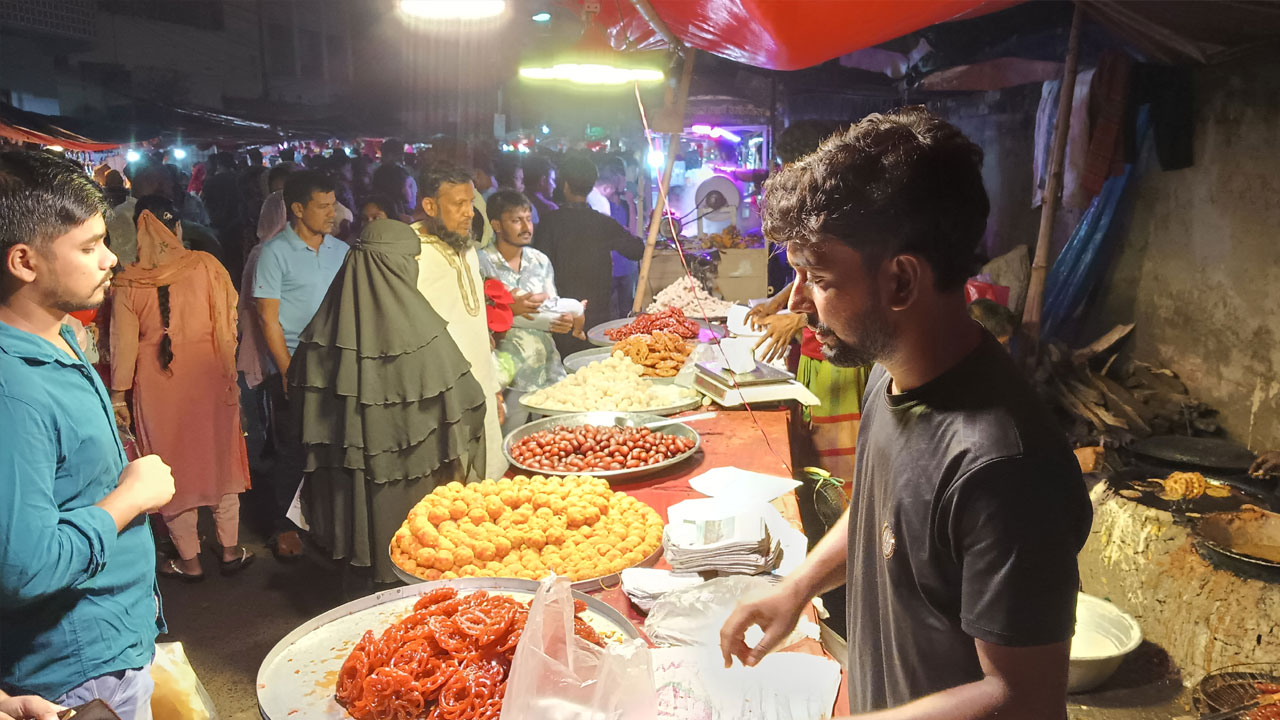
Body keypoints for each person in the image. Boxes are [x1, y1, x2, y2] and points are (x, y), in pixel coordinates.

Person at [719, 108, 1092, 718]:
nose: (800, 302)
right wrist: (798, 587)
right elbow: (882, 510)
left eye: (818, 277)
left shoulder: (1004, 467)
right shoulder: (892, 371)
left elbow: (1021, 697)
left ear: (900, 281)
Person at [0, 150, 175, 718]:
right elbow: (27, 567)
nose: (110, 258)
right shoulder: (13, 391)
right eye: (89, 246)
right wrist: (130, 498)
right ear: (24, 261)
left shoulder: (61, 335)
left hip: (114, 636)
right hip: (78, 673)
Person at [290, 219, 488, 583]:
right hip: (418, 495)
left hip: (348, 497)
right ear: (395, 265)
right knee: (419, 558)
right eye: (409, 260)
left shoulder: (317, 339)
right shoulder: (425, 335)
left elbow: (303, 420)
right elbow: (468, 403)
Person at [109, 196, 253, 582]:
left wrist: (118, 396)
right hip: (211, 379)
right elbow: (230, 321)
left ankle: (190, 561)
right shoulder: (207, 265)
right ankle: (230, 549)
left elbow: (123, 346)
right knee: (220, 462)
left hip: (158, 390)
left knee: (172, 468)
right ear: (175, 229)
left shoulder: (127, 282)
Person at [252, 170, 349, 560]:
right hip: (296, 363)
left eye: (333, 204)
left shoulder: (341, 251)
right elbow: (267, 318)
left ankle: (329, 520)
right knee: (294, 447)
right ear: (297, 208)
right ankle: (284, 526)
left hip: (337, 364)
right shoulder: (273, 253)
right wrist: (287, 369)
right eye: (322, 206)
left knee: (335, 445)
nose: (332, 213)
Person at [412, 163, 507, 477]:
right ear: (430, 206)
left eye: (471, 202)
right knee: (449, 487)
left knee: (487, 481)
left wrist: (494, 388)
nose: (469, 213)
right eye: (459, 204)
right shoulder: (409, 255)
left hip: (480, 385)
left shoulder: (466, 247)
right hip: (438, 397)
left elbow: (476, 327)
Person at [478, 191, 585, 433]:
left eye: (528, 219)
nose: (527, 227)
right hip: (508, 377)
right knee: (509, 441)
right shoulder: (480, 262)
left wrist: (565, 320)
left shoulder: (540, 260)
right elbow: (472, 317)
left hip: (548, 371)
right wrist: (508, 310)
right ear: (496, 225)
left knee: (557, 440)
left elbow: (551, 306)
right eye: (517, 220)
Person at [532, 152, 644, 355]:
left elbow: (537, 269)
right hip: (597, 319)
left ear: (565, 186)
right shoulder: (603, 223)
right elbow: (637, 250)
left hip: (560, 318)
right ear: (592, 185)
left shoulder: (549, 223)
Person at [372, 138, 417, 221]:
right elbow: (407, 198)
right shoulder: (402, 172)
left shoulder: (378, 172)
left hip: (383, 214)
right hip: (399, 214)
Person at [523, 155, 557, 225]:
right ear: (543, 180)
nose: (554, 185)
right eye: (552, 180)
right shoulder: (549, 208)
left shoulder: (517, 200)